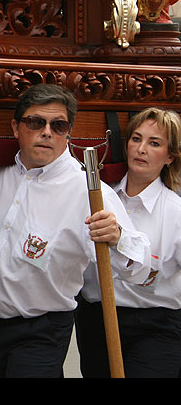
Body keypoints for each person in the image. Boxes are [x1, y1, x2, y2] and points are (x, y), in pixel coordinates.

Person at [0, 83, 151, 378]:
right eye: (36, 122)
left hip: (41, 332)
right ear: (16, 127)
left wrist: (118, 237)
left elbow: (139, 264)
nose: (47, 132)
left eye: (58, 125)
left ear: (68, 134)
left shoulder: (86, 190)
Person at [75, 107, 181, 378]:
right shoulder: (98, 196)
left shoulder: (176, 211)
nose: (141, 149)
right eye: (136, 138)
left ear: (170, 156)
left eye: (154, 143)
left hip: (155, 326)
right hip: (96, 321)